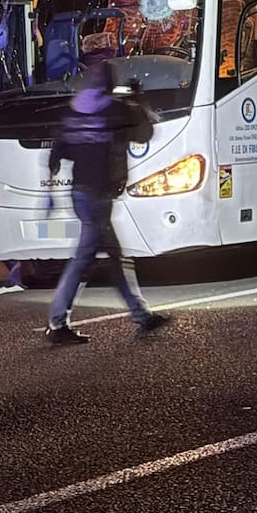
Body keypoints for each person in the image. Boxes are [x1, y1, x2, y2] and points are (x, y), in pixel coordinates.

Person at [44, 61, 169, 344]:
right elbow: (145, 131)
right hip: (98, 197)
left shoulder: (73, 110)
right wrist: (138, 98)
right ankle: (57, 322)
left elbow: (57, 153)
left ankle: (141, 314)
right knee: (86, 260)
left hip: (80, 193)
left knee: (112, 257)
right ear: (109, 84)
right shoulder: (114, 109)